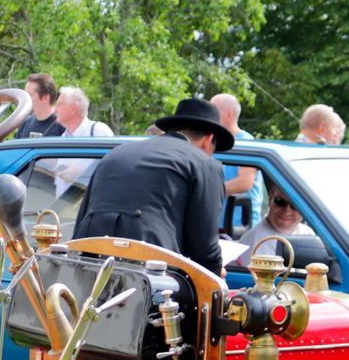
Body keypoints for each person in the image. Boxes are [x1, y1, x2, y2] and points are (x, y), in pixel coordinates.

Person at [74, 96, 231, 274]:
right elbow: (204, 248)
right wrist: (217, 273)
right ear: (208, 140)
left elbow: (83, 215)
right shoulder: (204, 163)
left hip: (87, 262)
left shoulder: (116, 153)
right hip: (150, 271)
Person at [47, 84, 114, 196]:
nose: (55, 110)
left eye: (59, 105)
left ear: (73, 109)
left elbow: (113, 170)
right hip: (64, 209)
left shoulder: (98, 132)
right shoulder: (63, 138)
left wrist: (83, 174)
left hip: (90, 207)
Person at [212, 93, 264, 225]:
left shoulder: (247, 143)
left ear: (229, 114)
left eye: (213, 111)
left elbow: (244, 182)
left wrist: (208, 190)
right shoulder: (215, 143)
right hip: (220, 223)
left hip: (240, 225)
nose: (209, 115)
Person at [231, 186, 313, 264]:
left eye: (295, 205)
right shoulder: (255, 244)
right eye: (280, 202)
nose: (287, 211)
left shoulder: (308, 234)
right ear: (270, 200)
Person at [17, 73, 62, 138]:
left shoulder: (62, 124)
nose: (26, 99)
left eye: (30, 95)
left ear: (45, 98)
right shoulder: (25, 123)